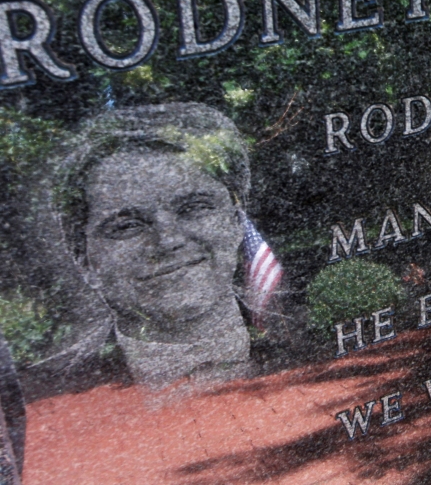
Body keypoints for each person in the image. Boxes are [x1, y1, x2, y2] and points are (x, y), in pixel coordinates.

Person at [53, 103, 282, 386]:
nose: (168, 240)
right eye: (127, 225)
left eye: (195, 207)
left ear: (236, 221)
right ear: (83, 259)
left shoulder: (309, 338)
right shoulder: (50, 390)